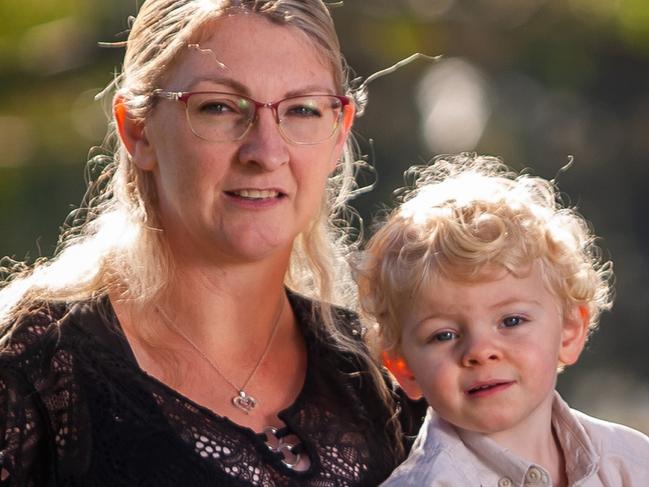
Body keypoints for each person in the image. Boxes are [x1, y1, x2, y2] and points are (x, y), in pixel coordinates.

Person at [0, 1, 425, 485]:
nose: (266, 152)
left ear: (337, 135)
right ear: (137, 131)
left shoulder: (393, 378)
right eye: (219, 107)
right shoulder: (32, 372)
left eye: (302, 109)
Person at [355, 154, 649, 486]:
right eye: (443, 335)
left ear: (569, 331)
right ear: (402, 367)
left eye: (511, 321)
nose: (480, 351)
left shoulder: (634, 463)